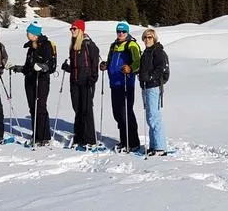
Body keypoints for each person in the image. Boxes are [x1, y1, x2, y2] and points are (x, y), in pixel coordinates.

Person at [9, 20, 55, 146]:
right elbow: (28, 65)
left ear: (35, 34)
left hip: (41, 80)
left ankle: (44, 137)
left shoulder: (46, 45)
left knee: (40, 107)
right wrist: (20, 68)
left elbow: (50, 65)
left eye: (28, 32)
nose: (27, 33)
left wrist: (43, 67)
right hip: (29, 80)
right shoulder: (30, 47)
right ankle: (36, 135)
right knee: (32, 108)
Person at [99, 21, 141, 152]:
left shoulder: (131, 44)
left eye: (123, 31)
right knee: (117, 113)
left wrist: (130, 68)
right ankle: (124, 140)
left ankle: (133, 142)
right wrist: (105, 65)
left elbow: (138, 62)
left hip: (126, 83)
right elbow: (111, 61)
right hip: (115, 84)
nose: (121, 34)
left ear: (127, 32)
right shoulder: (114, 46)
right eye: (119, 31)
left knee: (126, 113)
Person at [60, 19, 100, 149]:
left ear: (81, 30)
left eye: (74, 29)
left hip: (86, 81)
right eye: (71, 29)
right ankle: (79, 137)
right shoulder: (73, 46)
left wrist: (93, 78)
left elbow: (94, 63)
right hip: (75, 82)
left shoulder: (88, 45)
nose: (72, 31)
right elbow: (75, 66)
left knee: (86, 110)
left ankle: (90, 140)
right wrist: (67, 68)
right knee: (77, 109)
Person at [139, 29, 170, 156]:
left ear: (154, 38)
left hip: (154, 87)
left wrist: (150, 77)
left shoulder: (158, 52)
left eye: (150, 37)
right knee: (150, 117)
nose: (147, 39)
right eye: (145, 37)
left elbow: (161, 69)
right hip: (146, 87)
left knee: (154, 117)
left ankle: (160, 147)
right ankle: (153, 146)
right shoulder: (146, 53)